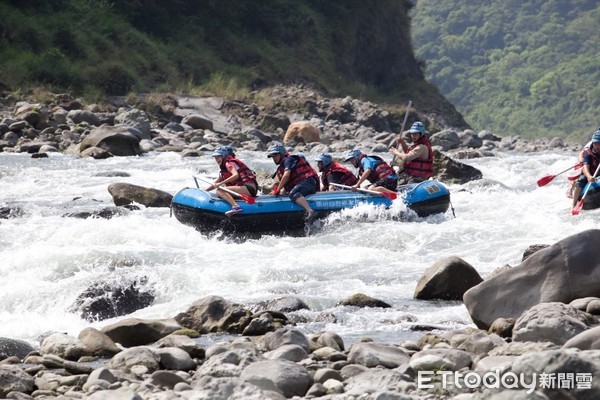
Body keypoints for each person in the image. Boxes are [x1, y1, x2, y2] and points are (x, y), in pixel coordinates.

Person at [267, 143, 319, 221]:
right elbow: (286, 184)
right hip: (303, 184)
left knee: (293, 193)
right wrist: (280, 192)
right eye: (272, 156)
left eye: (276, 155)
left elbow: (286, 175)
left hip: (308, 181)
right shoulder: (282, 166)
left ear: (281, 153)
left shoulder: (289, 159)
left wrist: (278, 189)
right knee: (290, 192)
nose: (274, 158)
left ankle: (310, 211)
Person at [206, 146, 258, 217]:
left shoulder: (229, 163)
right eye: (215, 157)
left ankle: (236, 207)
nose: (216, 159)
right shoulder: (223, 170)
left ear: (223, 156)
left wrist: (221, 184)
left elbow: (236, 175)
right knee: (220, 190)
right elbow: (214, 184)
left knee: (219, 190)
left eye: (218, 157)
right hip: (244, 189)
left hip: (249, 187)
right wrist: (205, 191)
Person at [571, 130, 600, 211]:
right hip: (591, 174)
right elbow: (585, 167)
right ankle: (573, 205)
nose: (597, 146)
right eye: (595, 144)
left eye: (599, 144)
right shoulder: (588, 153)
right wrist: (589, 176)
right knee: (581, 179)